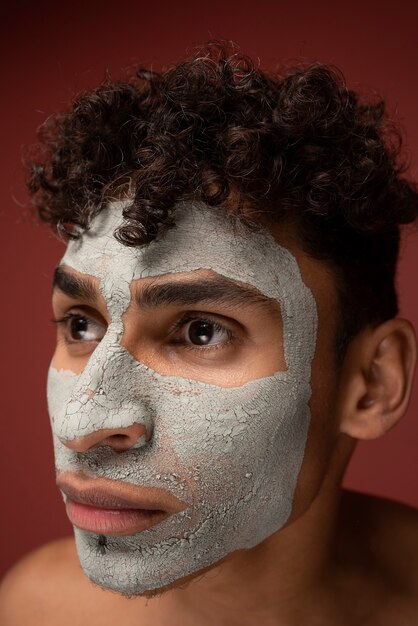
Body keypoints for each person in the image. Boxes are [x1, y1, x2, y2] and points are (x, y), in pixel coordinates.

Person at [1, 43, 418, 625]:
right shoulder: (34, 611)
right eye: (81, 323)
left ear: (372, 383)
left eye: (201, 332)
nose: (82, 423)